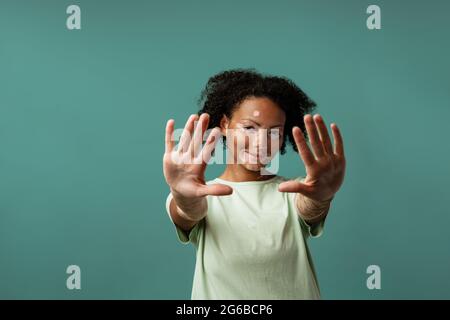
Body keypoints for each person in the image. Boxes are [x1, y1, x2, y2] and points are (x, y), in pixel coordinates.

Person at [163, 69, 346, 299]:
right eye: (249, 127)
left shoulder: (295, 191)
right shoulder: (201, 194)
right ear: (225, 124)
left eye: (274, 132)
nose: (261, 142)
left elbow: (309, 207)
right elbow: (188, 211)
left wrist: (322, 197)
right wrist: (185, 198)